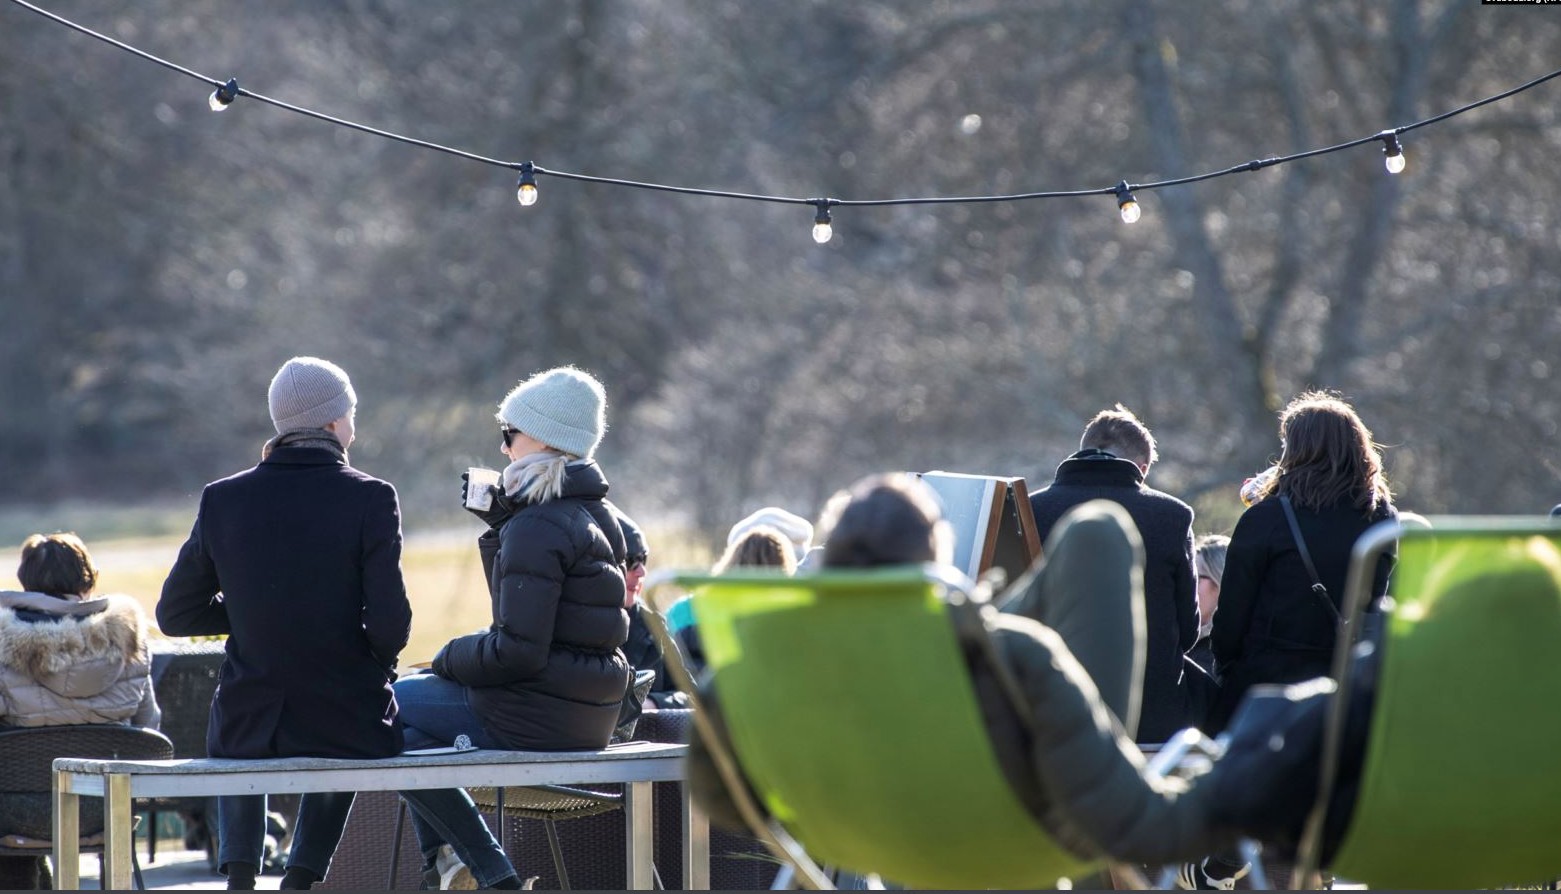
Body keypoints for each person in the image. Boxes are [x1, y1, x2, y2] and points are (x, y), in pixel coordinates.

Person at [685, 472, 1388, 879]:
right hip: (1017, 839)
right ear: (936, 562)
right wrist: (1245, 776)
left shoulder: (760, 674)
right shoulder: (1014, 659)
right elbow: (1140, 828)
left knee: (1084, 543)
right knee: (1098, 535)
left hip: (854, 836)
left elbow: (720, 796)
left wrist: (826, 803)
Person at [158, 357, 413, 891]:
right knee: (347, 734)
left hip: (253, 717)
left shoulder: (222, 498)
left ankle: (242, 875)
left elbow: (175, 614)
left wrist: (256, 611)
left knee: (230, 723)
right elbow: (392, 622)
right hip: (344, 712)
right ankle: (299, 878)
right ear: (331, 424)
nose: (353, 425)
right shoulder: (371, 495)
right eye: (350, 414)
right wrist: (371, 659)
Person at [394, 366, 629, 889]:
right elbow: (525, 621)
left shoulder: (538, 524)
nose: (503, 450)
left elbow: (516, 652)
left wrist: (446, 657)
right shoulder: (597, 513)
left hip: (536, 711)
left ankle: (487, 873)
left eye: (509, 435)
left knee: (380, 706)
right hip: (587, 714)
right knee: (405, 739)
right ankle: (450, 868)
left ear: (543, 439)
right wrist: (503, 530)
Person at [1209, 390, 1397, 734]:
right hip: (1345, 687)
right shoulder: (1382, 518)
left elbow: (1233, 613)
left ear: (1296, 451)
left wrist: (1226, 665)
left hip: (1268, 688)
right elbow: (1374, 602)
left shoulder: (1267, 517)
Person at [1028, 405, 1199, 743]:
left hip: (1054, 705)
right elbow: (1188, 630)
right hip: (1149, 712)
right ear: (1143, 467)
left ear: (1081, 451)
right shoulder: (1172, 516)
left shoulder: (1030, 509)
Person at [0, 533, 160, 890]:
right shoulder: (129, 638)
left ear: (26, 582)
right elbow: (148, 724)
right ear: (88, 579)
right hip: (105, 810)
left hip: (15, 813)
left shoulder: (2, 641)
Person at [614, 506, 689, 712]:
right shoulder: (573, 624)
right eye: (630, 561)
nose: (641, 572)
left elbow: (691, 696)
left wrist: (651, 704)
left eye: (643, 559)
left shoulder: (653, 625)